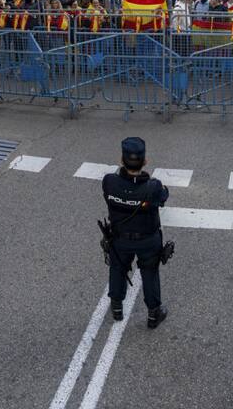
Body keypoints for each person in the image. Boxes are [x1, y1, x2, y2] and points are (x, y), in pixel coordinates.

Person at [101, 137, 170, 328]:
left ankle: (116, 308)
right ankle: (153, 315)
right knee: (149, 273)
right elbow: (164, 195)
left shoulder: (109, 182)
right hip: (148, 240)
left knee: (117, 269)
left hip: (120, 238)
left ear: (121, 161)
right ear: (145, 161)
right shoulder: (153, 187)